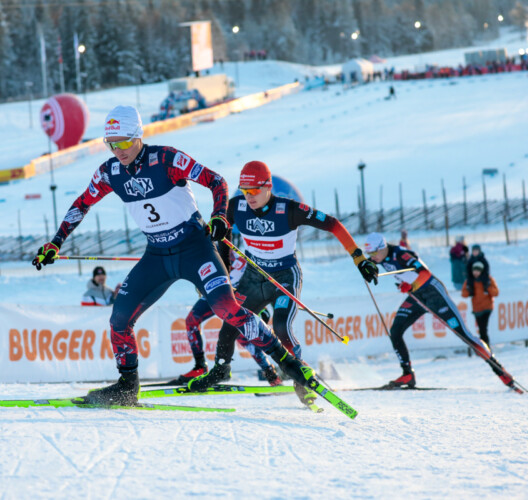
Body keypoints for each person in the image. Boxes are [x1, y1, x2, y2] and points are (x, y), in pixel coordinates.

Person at [32, 105, 333, 406]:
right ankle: (126, 387)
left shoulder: (165, 158)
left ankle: (292, 366)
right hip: (157, 255)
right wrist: (55, 242)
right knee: (119, 319)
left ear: (138, 135)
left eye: (124, 141)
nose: (118, 150)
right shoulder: (109, 172)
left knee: (226, 308)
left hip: (195, 247)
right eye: (111, 144)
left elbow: (217, 181)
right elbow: (81, 203)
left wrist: (220, 218)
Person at [189, 161, 379, 408]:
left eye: (255, 190)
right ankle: (221, 369)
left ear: (268, 187)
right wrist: (222, 275)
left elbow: (333, 224)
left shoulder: (288, 209)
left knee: (280, 326)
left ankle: (301, 378)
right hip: (254, 276)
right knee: (231, 322)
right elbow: (223, 239)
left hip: (285, 276)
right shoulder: (236, 206)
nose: (250, 196)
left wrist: (359, 258)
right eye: (245, 191)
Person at [364, 232, 520, 392]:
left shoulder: (401, 254)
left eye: (374, 253)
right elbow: (365, 262)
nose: (372, 257)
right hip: (416, 297)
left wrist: (410, 286)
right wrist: (365, 267)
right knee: (395, 331)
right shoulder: (379, 256)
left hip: (434, 294)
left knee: (464, 335)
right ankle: (407, 374)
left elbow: (425, 273)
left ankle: (501, 372)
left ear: (382, 248)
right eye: (370, 254)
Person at [176, 251, 281, 386]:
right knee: (191, 320)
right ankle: (200, 366)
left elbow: (257, 285)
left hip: (234, 296)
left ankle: (272, 375)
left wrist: (261, 307)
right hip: (214, 292)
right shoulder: (204, 255)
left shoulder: (240, 262)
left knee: (241, 334)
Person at [462, 261, 499, 346]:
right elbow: (464, 294)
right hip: (477, 309)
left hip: (487, 307)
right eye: (474, 270)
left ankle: (486, 347)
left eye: (478, 270)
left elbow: (496, 293)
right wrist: (469, 290)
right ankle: (484, 347)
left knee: (483, 329)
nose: (476, 272)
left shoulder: (488, 279)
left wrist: (488, 288)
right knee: (481, 329)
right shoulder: (470, 281)